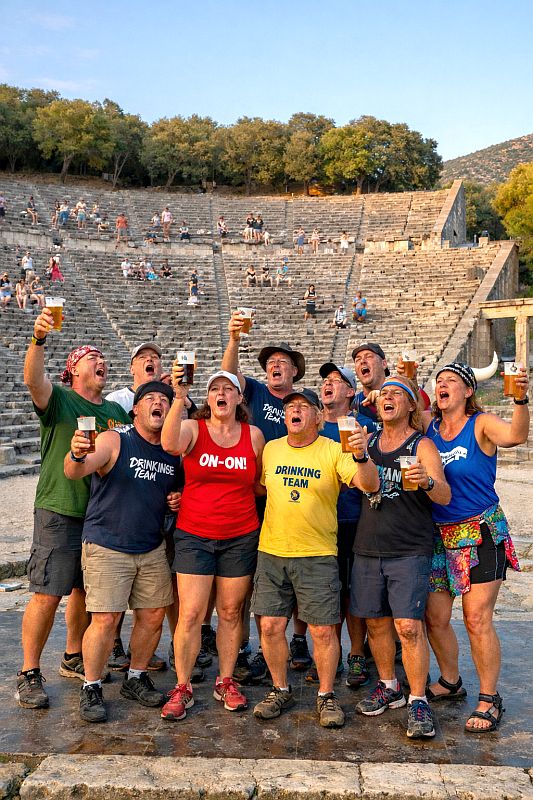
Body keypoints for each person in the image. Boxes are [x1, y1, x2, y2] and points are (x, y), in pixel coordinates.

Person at [15, 321, 130, 711]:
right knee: (47, 593)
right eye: (91, 357)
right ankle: (29, 671)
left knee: (85, 591)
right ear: (74, 370)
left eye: (103, 357)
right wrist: (38, 338)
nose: (101, 361)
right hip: (60, 508)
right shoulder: (61, 400)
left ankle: (73, 656)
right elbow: (33, 380)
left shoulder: (115, 410)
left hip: (101, 516)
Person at [252, 388, 380, 728]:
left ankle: (326, 694)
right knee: (270, 626)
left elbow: (369, 485)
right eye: (290, 406)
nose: (295, 410)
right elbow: (261, 487)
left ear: (318, 417)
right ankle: (280, 689)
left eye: (303, 406)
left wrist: (362, 455)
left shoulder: (334, 449)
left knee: (322, 631)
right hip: (272, 551)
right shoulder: (271, 449)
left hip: (318, 553)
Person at [64, 381, 181, 722]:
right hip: (108, 544)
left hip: (151, 546)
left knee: (153, 615)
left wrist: (176, 499)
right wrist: (77, 453)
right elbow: (75, 470)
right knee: (105, 618)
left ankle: (136, 676)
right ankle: (91, 685)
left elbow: (174, 493)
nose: (159, 403)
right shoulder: (115, 439)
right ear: (135, 410)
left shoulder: (172, 451)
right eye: (150, 398)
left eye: (165, 399)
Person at [424, 362, 529, 733]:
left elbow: (516, 436)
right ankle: (451, 681)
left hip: (480, 531)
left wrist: (521, 400)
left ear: (468, 391)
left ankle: (489, 697)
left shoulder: (480, 424)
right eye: (439, 381)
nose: (443, 385)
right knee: (434, 617)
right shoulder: (429, 428)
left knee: (476, 618)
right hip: (439, 536)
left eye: (451, 381)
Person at [159, 370, 265, 721]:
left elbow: (261, 483)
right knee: (191, 613)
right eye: (215, 389)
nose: (221, 393)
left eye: (228, 389)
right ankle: (183, 685)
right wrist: (179, 398)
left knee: (231, 612)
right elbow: (169, 445)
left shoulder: (253, 435)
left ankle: (226, 680)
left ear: (238, 398)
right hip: (195, 534)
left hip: (240, 534)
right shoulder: (193, 427)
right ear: (208, 398)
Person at [352, 376, 450, 739]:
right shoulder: (368, 441)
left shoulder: (422, 445)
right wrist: (360, 456)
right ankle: (389, 685)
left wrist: (427, 481)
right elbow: (367, 485)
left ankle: (418, 699)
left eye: (398, 393)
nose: (388, 397)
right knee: (377, 624)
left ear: (411, 405)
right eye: (385, 393)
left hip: (409, 548)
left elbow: (444, 496)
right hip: (368, 546)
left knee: (408, 627)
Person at [222, 322, 310, 675]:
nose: (275, 365)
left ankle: (298, 638)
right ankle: (251, 645)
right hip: (253, 497)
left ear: (294, 372)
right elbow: (228, 375)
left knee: (298, 573)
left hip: (291, 498)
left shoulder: (301, 403)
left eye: (282, 362)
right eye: (270, 361)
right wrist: (233, 339)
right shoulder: (255, 391)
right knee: (254, 577)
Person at [307, 363, 378, 689]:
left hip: (357, 520)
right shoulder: (312, 425)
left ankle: (357, 653)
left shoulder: (365, 426)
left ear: (351, 391)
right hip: (319, 523)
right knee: (327, 593)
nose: (328, 384)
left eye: (336, 381)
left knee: (354, 592)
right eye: (325, 380)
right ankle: (328, 655)